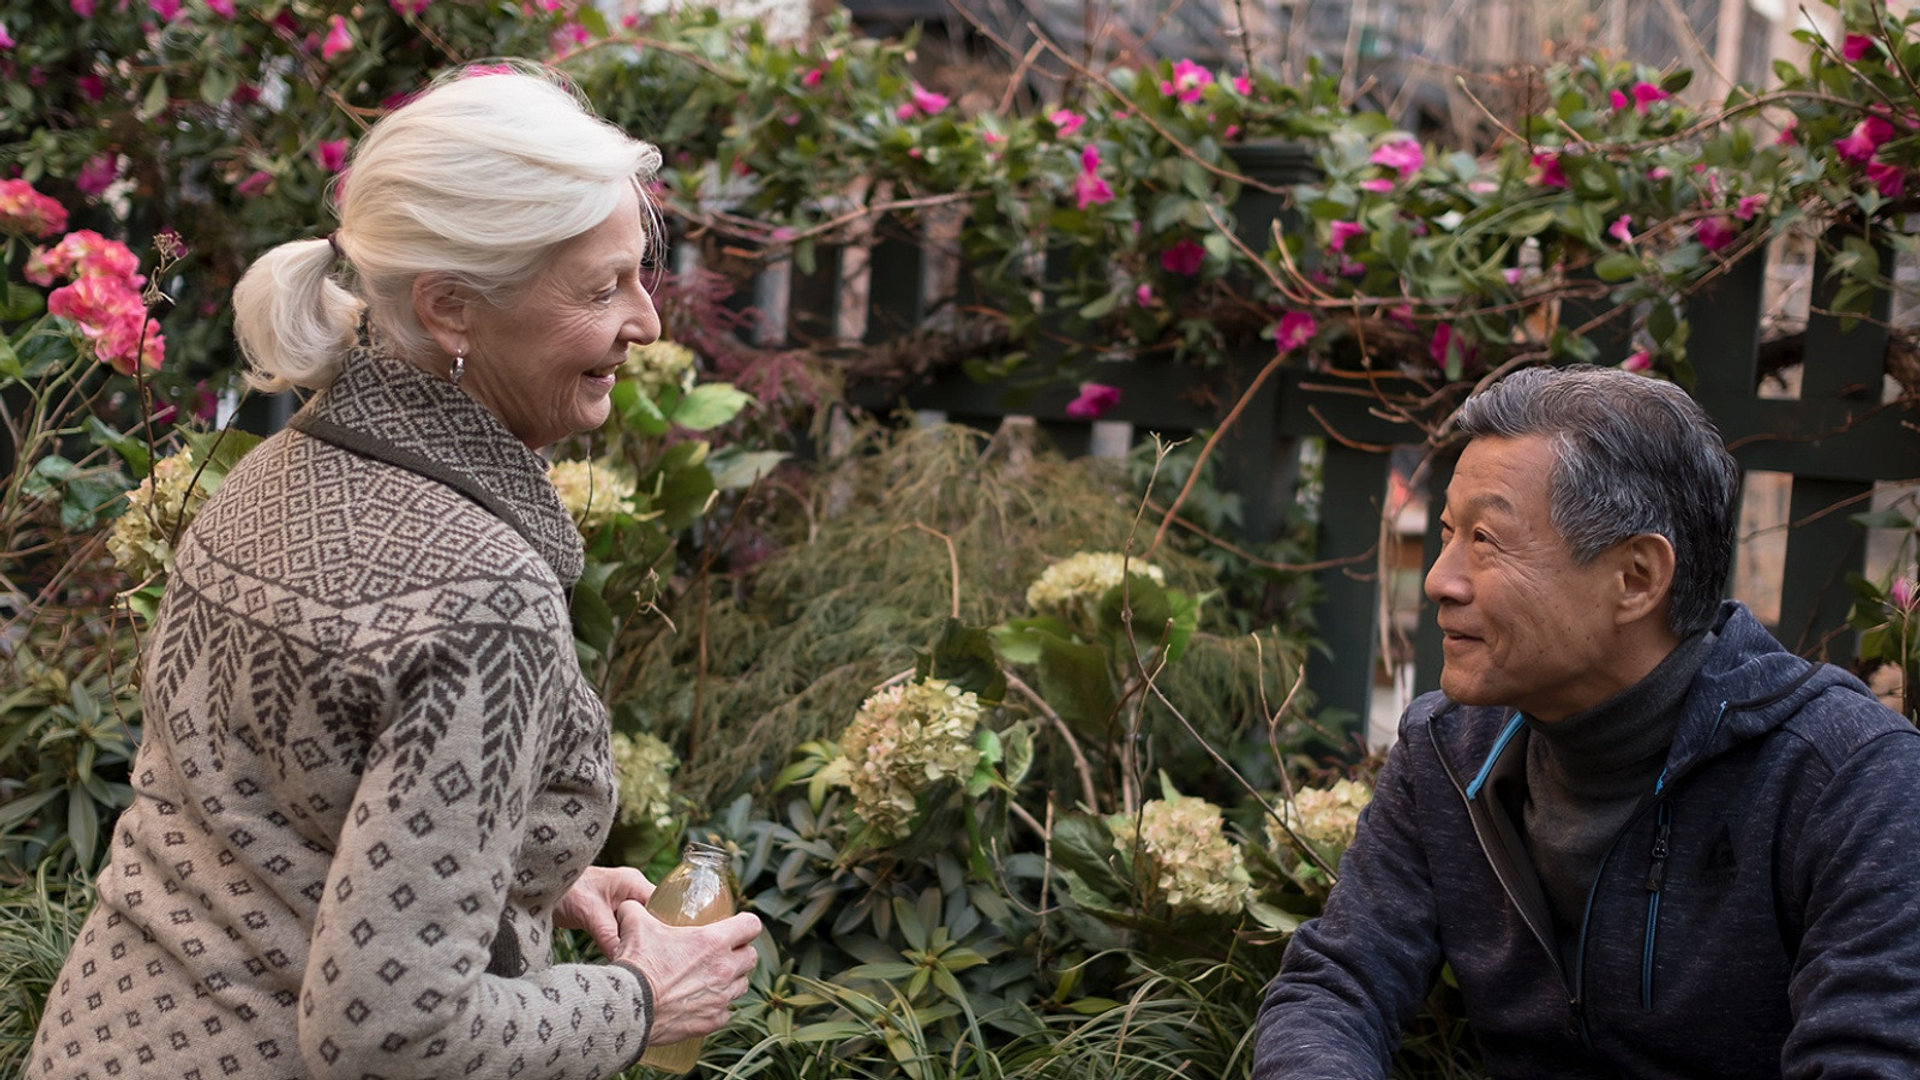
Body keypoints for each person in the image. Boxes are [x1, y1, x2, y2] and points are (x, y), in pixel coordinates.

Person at [31, 65, 762, 1080]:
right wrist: (643, 1000)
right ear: (452, 307)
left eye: (639, 274)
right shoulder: (482, 597)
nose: (646, 321)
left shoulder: (281, 474)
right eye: (603, 287)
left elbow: (282, 812)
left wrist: (491, 872)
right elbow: (391, 1035)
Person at [1254, 365, 1920, 1078]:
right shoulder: (1446, 751)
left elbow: (1867, 1059)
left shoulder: (1849, 780)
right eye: (1448, 533)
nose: (1439, 579)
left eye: (1486, 539)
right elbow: (1337, 987)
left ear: (1635, 577)